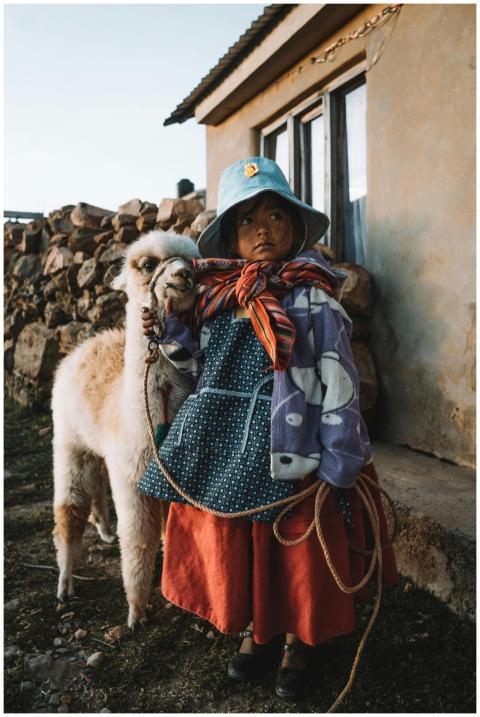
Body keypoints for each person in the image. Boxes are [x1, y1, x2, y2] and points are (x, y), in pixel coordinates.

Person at [139, 156, 397, 699]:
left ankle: (299, 641)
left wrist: (339, 456)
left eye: (276, 217)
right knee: (248, 539)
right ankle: (259, 630)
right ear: (231, 236)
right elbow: (196, 367)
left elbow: (338, 379)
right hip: (229, 445)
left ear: (294, 228)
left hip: (293, 441)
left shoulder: (314, 298)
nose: (263, 230)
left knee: (295, 542)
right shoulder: (217, 298)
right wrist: (166, 332)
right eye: (248, 220)